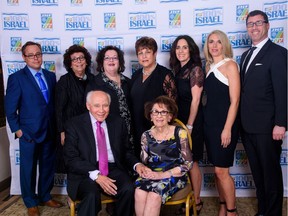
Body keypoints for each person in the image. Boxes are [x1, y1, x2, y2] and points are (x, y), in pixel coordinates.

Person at [63, 90, 147, 216]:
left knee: (128, 188)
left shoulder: (118, 123)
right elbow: (71, 159)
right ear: (88, 106)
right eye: (97, 105)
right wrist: (96, 175)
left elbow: (126, 152)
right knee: (91, 194)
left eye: (105, 105)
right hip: (84, 172)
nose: (101, 110)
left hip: (112, 168)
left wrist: (137, 164)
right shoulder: (74, 124)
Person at [5, 41, 62, 216]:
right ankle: (30, 202)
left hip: (49, 131)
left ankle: (45, 196)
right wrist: (17, 130)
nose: (36, 58)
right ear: (24, 57)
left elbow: (51, 105)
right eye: (31, 55)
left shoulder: (50, 76)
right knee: (28, 169)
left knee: (47, 167)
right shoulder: (17, 78)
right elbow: (10, 108)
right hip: (28, 133)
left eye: (38, 54)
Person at [240, 10, 287, 216]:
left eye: (259, 23)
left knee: (270, 174)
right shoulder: (246, 55)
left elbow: (283, 90)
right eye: (250, 24)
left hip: (268, 127)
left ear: (267, 26)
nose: (254, 27)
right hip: (247, 126)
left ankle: (274, 212)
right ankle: (263, 210)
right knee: (258, 174)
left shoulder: (277, 53)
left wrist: (281, 122)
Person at [134, 95, 193, 216]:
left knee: (154, 195)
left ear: (170, 116)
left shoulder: (180, 133)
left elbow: (188, 164)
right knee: (139, 192)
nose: (159, 116)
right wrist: (145, 170)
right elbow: (144, 162)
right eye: (155, 112)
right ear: (151, 116)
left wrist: (163, 175)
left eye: (163, 112)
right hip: (153, 173)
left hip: (174, 175)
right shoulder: (146, 135)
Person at [203, 30, 240, 216]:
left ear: (224, 44)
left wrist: (227, 129)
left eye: (218, 42)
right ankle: (223, 205)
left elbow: (235, 101)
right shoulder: (209, 67)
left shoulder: (230, 65)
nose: (215, 45)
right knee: (216, 171)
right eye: (211, 42)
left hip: (225, 125)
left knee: (222, 171)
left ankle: (232, 211)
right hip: (210, 125)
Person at [170, 35, 205, 215]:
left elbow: (196, 100)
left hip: (192, 121)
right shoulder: (178, 70)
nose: (181, 51)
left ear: (191, 50)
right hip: (179, 120)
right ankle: (186, 199)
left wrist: (189, 125)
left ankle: (197, 202)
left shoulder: (195, 69)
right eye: (178, 47)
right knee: (183, 161)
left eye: (184, 47)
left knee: (193, 162)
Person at [131, 36, 177, 158]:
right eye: (140, 53)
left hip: (158, 131)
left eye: (148, 52)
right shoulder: (135, 75)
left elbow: (172, 106)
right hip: (137, 129)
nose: (144, 56)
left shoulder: (165, 74)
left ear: (155, 53)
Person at [55, 44, 94, 173]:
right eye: (74, 59)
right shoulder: (64, 81)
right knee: (74, 160)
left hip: (90, 127)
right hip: (71, 129)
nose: (78, 61)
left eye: (81, 58)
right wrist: (61, 132)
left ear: (86, 61)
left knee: (90, 158)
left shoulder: (94, 80)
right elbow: (59, 109)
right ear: (70, 64)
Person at [86, 45, 133, 144]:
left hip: (130, 132)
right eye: (107, 58)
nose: (111, 60)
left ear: (119, 61)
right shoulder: (94, 83)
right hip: (108, 133)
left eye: (115, 58)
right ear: (102, 63)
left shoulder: (128, 82)